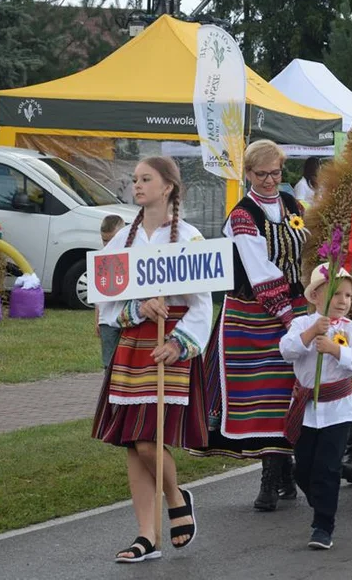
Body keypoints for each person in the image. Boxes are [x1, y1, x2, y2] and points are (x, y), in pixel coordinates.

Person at [90, 157, 212, 562]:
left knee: (147, 440)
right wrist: (137, 309)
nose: (137, 186)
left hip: (168, 345)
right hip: (133, 343)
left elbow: (202, 304)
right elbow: (105, 303)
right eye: (135, 180)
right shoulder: (122, 239)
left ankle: (176, 500)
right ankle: (147, 536)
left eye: (146, 179)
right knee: (133, 443)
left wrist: (178, 344)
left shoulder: (190, 239)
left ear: (168, 188)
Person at [189, 139, 306, 511]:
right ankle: (272, 478)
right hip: (253, 315)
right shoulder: (242, 216)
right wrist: (286, 314)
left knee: (288, 392)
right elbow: (259, 271)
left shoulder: (293, 205)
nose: (270, 180)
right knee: (262, 396)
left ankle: (283, 471)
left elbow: (308, 247)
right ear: (248, 175)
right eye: (262, 174)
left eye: (276, 173)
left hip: (296, 308)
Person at [280, 263, 352, 551]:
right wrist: (310, 335)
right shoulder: (300, 324)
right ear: (316, 297)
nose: (343, 301)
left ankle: (323, 525)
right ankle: (320, 498)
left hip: (338, 410)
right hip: (306, 410)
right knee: (304, 469)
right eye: (336, 294)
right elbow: (286, 350)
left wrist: (335, 349)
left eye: (348, 295)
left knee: (328, 468)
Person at [97, 215, 127, 367]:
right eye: (105, 240)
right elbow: (98, 296)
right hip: (106, 322)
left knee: (126, 364)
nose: (108, 244)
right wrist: (98, 319)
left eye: (112, 240)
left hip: (127, 319)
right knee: (109, 365)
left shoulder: (130, 257)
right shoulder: (100, 260)